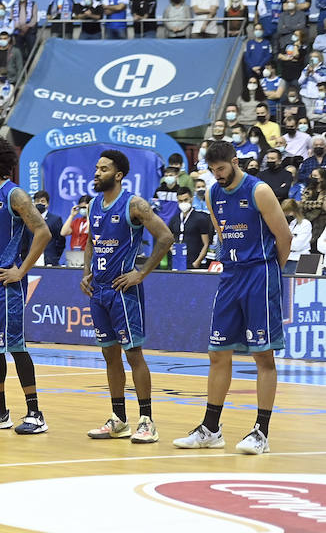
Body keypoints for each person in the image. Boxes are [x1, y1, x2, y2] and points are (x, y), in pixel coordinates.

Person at [174, 139, 291, 455]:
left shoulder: (259, 191)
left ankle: (261, 432)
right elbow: (221, 234)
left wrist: (270, 274)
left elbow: (284, 236)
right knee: (217, 352)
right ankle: (211, 429)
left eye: (221, 169)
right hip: (230, 275)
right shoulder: (212, 193)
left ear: (235, 161)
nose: (217, 175)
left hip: (260, 274)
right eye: (212, 170)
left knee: (263, 356)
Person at [81, 150, 174, 444]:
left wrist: (141, 273)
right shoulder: (93, 204)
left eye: (103, 168)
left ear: (118, 175)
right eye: (96, 167)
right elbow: (92, 243)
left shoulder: (134, 203)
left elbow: (166, 237)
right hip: (99, 290)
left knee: (133, 355)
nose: (96, 173)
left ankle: (147, 421)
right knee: (109, 355)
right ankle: (119, 419)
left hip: (124, 290)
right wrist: (86, 273)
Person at [0, 134, 52, 435]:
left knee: (15, 347)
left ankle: (35, 413)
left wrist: (21, 270)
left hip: (6, 285)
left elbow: (43, 233)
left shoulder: (15, 195)